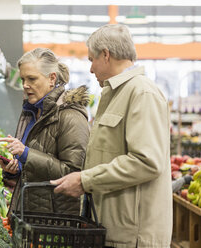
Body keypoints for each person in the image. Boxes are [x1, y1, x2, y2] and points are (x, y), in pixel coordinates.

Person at [50, 24, 173, 248]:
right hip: (113, 229)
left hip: (134, 237)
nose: (90, 69)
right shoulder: (117, 93)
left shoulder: (142, 93)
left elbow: (147, 162)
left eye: (91, 60)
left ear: (106, 55)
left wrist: (86, 180)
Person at [0, 48, 90, 215]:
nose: (25, 85)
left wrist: (26, 154)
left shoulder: (71, 116)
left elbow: (73, 173)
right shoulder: (31, 111)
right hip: (29, 213)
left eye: (32, 79)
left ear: (52, 78)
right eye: (23, 79)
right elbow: (35, 168)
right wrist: (15, 170)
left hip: (54, 220)